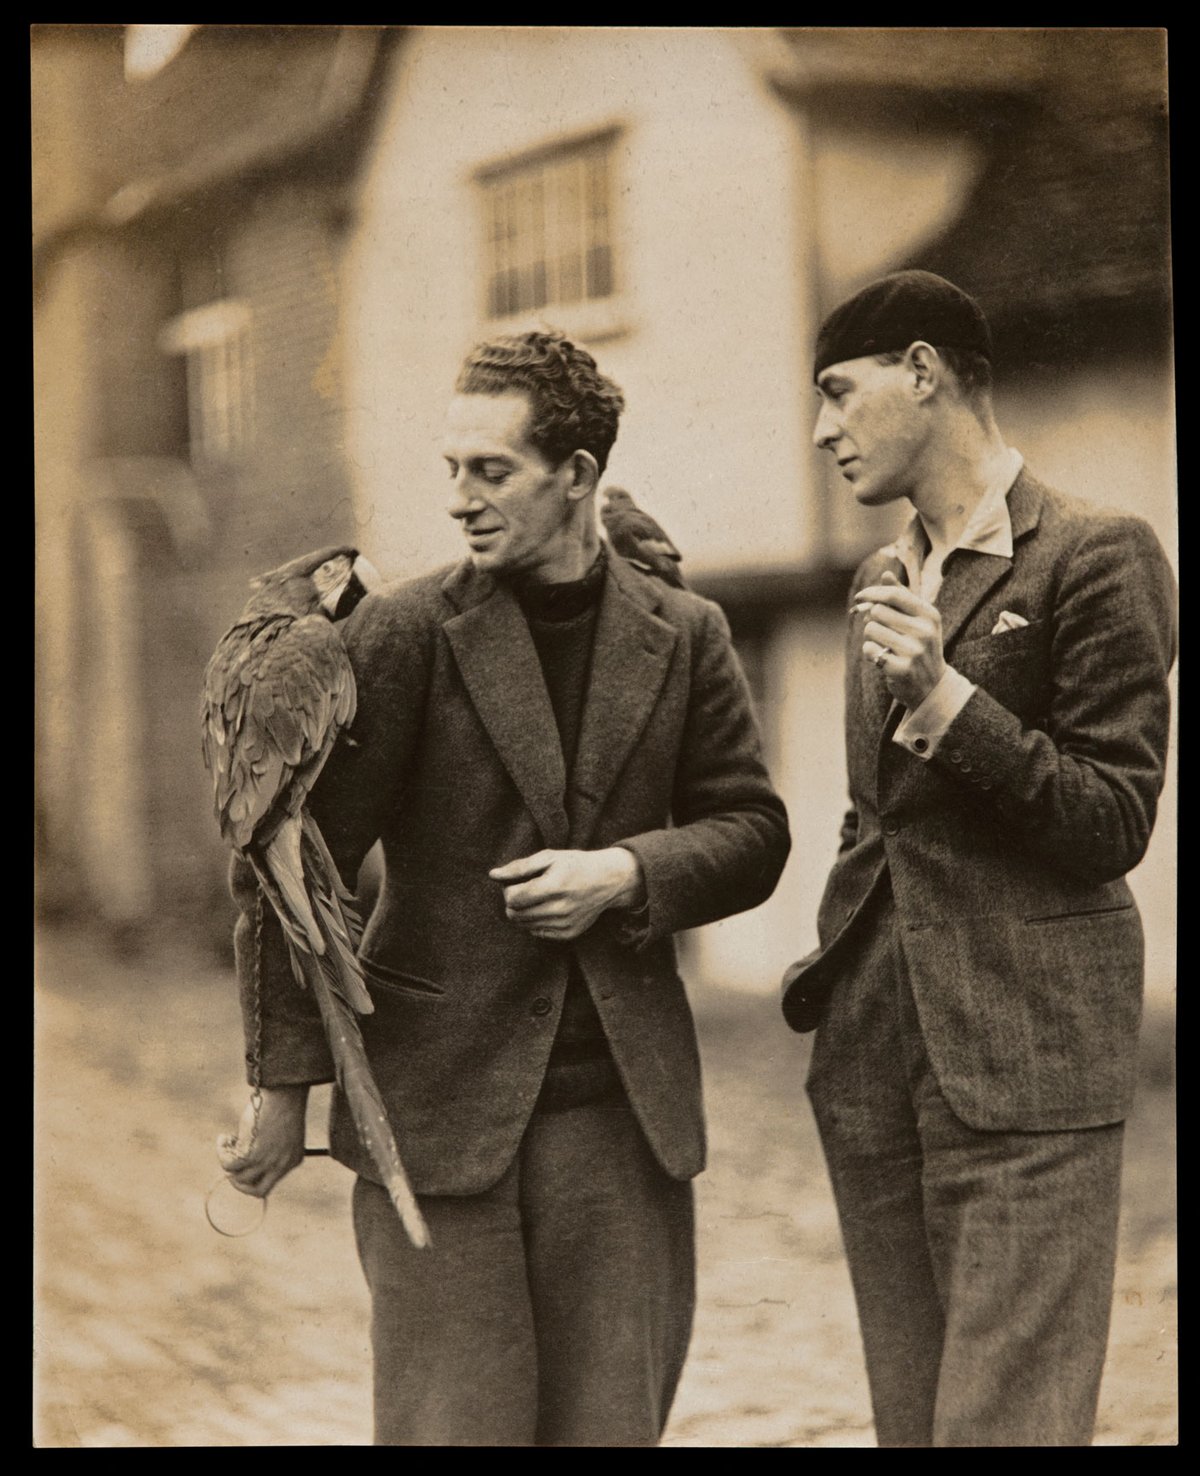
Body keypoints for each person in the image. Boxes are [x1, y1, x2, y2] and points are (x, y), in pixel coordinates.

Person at [220, 328, 791, 1447]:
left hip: (622, 1123)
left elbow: (755, 829)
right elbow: (290, 862)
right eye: (451, 471)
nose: (461, 502)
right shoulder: (400, 634)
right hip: (439, 1114)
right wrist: (284, 1084)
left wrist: (629, 872)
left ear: (578, 475)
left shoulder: (686, 634)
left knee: (608, 1430)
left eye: (492, 472)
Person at [782, 270, 1176, 1447]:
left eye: (839, 393)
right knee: (914, 1424)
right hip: (876, 1067)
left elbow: (1114, 817)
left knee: (1003, 1427)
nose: (820, 429)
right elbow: (878, 821)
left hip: (1029, 1061)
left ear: (925, 370)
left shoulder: (1100, 556)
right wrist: (832, 987)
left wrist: (949, 701)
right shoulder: (877, 580)